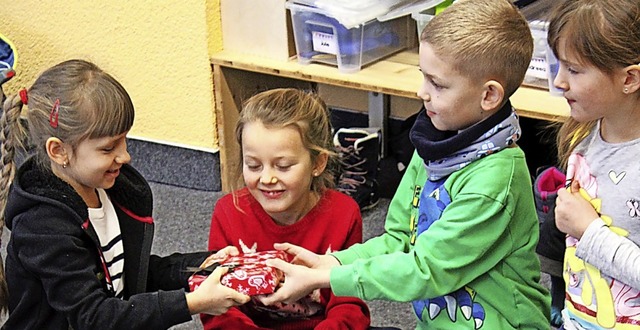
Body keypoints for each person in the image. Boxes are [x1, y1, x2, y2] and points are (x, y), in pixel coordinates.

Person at [259, 0, 551, 328]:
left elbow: (427, 269)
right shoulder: (434, 144)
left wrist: (331, 278)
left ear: (489, 96)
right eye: (423, 77)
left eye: (437, 84)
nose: (421, 92)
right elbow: (400, 238)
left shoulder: (494, 180)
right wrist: (332, 262)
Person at [0, 59, 250, 329]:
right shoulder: (42, 228)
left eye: (124, 140)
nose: (126, 156)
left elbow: (129, 276)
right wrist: (191, 303)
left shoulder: (112, 191)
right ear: (59, 151)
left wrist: (199, 264)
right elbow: (94, 317)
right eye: (108, 148)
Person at [200, 88, 371, 329]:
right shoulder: (229, 212)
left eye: (283, 166)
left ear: (318, 163)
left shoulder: (344, 214)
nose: (267, 178)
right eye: (254, 165)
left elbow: (348, 301)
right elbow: (216, 302)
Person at [541, 0, 640, 328]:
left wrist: (588, 230)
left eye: (574, 70)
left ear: (629, 79)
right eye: (559, 66)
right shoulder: (583, 132)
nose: (559, 81)